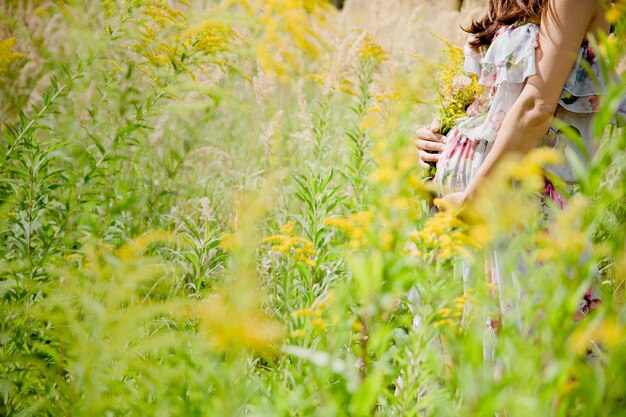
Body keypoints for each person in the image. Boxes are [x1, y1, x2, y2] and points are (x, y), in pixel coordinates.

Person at [415, 0, 626, 330]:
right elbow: (478, 104)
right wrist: (433, 137)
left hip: (518, 217)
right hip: (467, 216)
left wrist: (474, 199)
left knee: (521, 361)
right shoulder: (507, 4)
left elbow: (535, 108)